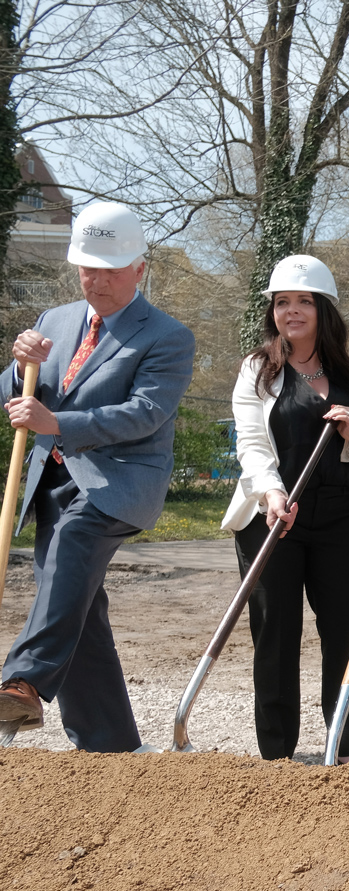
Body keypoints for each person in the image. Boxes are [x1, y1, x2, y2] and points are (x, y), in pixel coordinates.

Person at [0, 202, 195, 751]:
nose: (99, 280)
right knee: (71, 601)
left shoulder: (166, 335)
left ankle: (24, 681)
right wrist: (19, 368)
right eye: (89, 268)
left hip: (119, 482)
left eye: (112, 269)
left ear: (139, 267)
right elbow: (9, 398)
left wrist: (57, 420)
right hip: (51, 481)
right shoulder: (53, 322)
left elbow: (145, 413)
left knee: (73, 546)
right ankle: (111, 743)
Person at [221, 254, 349, 763]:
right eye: (282, 302)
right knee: (276, 633)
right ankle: (277, 751)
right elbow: (250, 445)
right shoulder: (258, 368)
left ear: (323, 310)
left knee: (344, 629)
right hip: (272, 518)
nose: (291, 311)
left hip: (338, 517)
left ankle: (344, 741)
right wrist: (272, 493)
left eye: (303, 302)